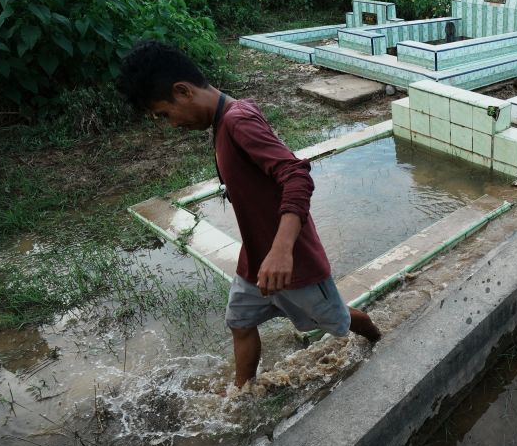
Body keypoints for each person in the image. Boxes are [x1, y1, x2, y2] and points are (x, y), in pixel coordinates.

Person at [116, 41, 380, 389]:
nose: (171, 124)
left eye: (165, 114)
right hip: (255, 262)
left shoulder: (238, 122)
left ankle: (378, 338)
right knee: (240, 322)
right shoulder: (223, 122)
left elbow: (296, 175)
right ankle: (242, 395)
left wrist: (282, 250)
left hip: (292, 263)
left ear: (182, 91)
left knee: (340, 322)